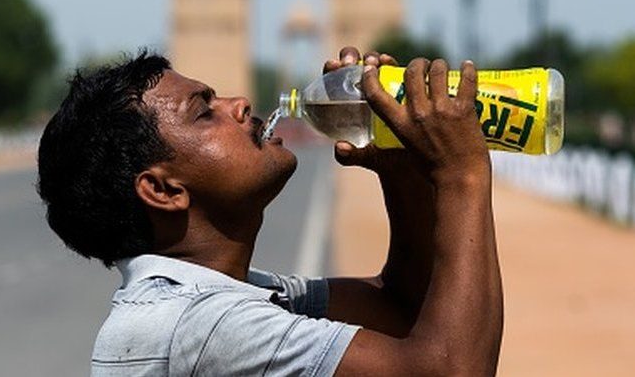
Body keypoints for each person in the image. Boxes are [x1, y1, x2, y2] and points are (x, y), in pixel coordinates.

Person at [36, 46, 503, 376]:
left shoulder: (223, 297)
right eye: (204, 112)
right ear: (162, 189)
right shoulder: (199, 326)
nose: (239, 104)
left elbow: (400, 308)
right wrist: (461, 175)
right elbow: (450, 370)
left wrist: (400, 173)